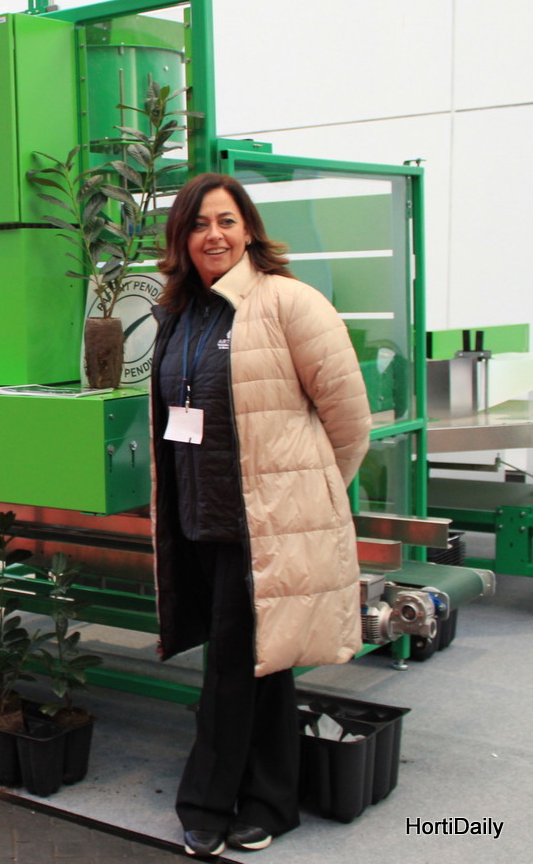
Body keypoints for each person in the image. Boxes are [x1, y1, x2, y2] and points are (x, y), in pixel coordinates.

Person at [148, 173, 371, 858]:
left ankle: (205, 805)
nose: (213, 235)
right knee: (262, 662)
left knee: (229, 664)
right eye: (198, 224)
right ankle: (273, 801)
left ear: (248, 229)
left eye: (226, 220)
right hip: (199, 516)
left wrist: (306, 499)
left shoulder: (288, 303)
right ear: (181, 238)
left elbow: (349, 422)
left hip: (264, 524)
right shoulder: (179, 313)